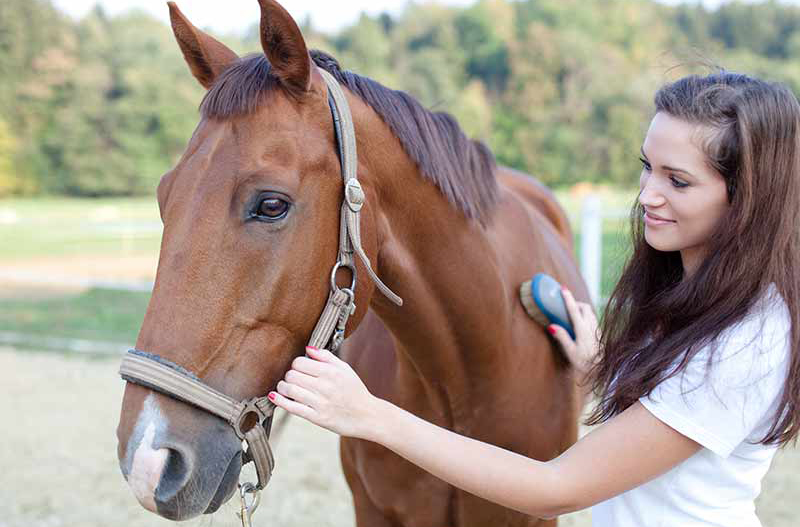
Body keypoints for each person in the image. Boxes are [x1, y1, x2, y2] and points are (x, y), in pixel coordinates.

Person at [266, 72, 800, 526]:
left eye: (677, 182)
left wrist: (370, 415)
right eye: (647, 167)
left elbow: (557, 487)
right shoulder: (691, 293)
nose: (646, 195)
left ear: (747, 200)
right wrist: (601, 368)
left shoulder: (746, 337)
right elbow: (662, 421)